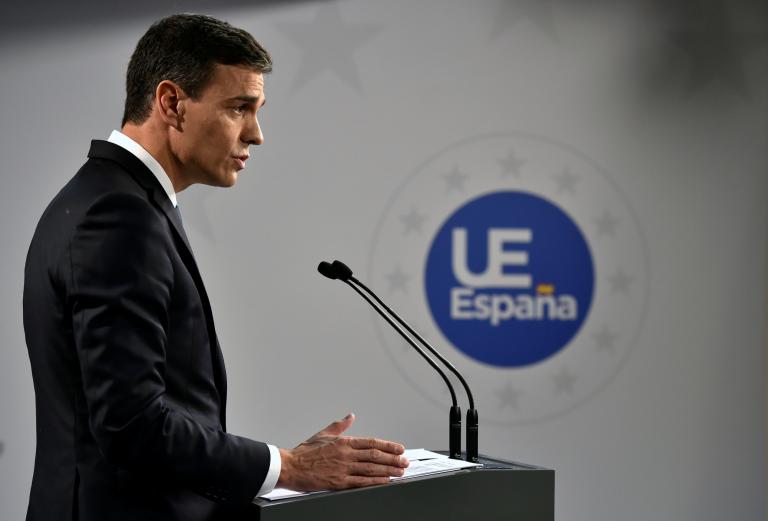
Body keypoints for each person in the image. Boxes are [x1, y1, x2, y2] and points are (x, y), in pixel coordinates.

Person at [23, 14, 408, 521]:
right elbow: (131, 425)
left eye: (257, 109)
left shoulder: (106, 199)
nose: (257, 134)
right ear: (171, 103)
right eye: (239, 108)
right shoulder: (118, 217)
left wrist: (277, 468)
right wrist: (287, 467)